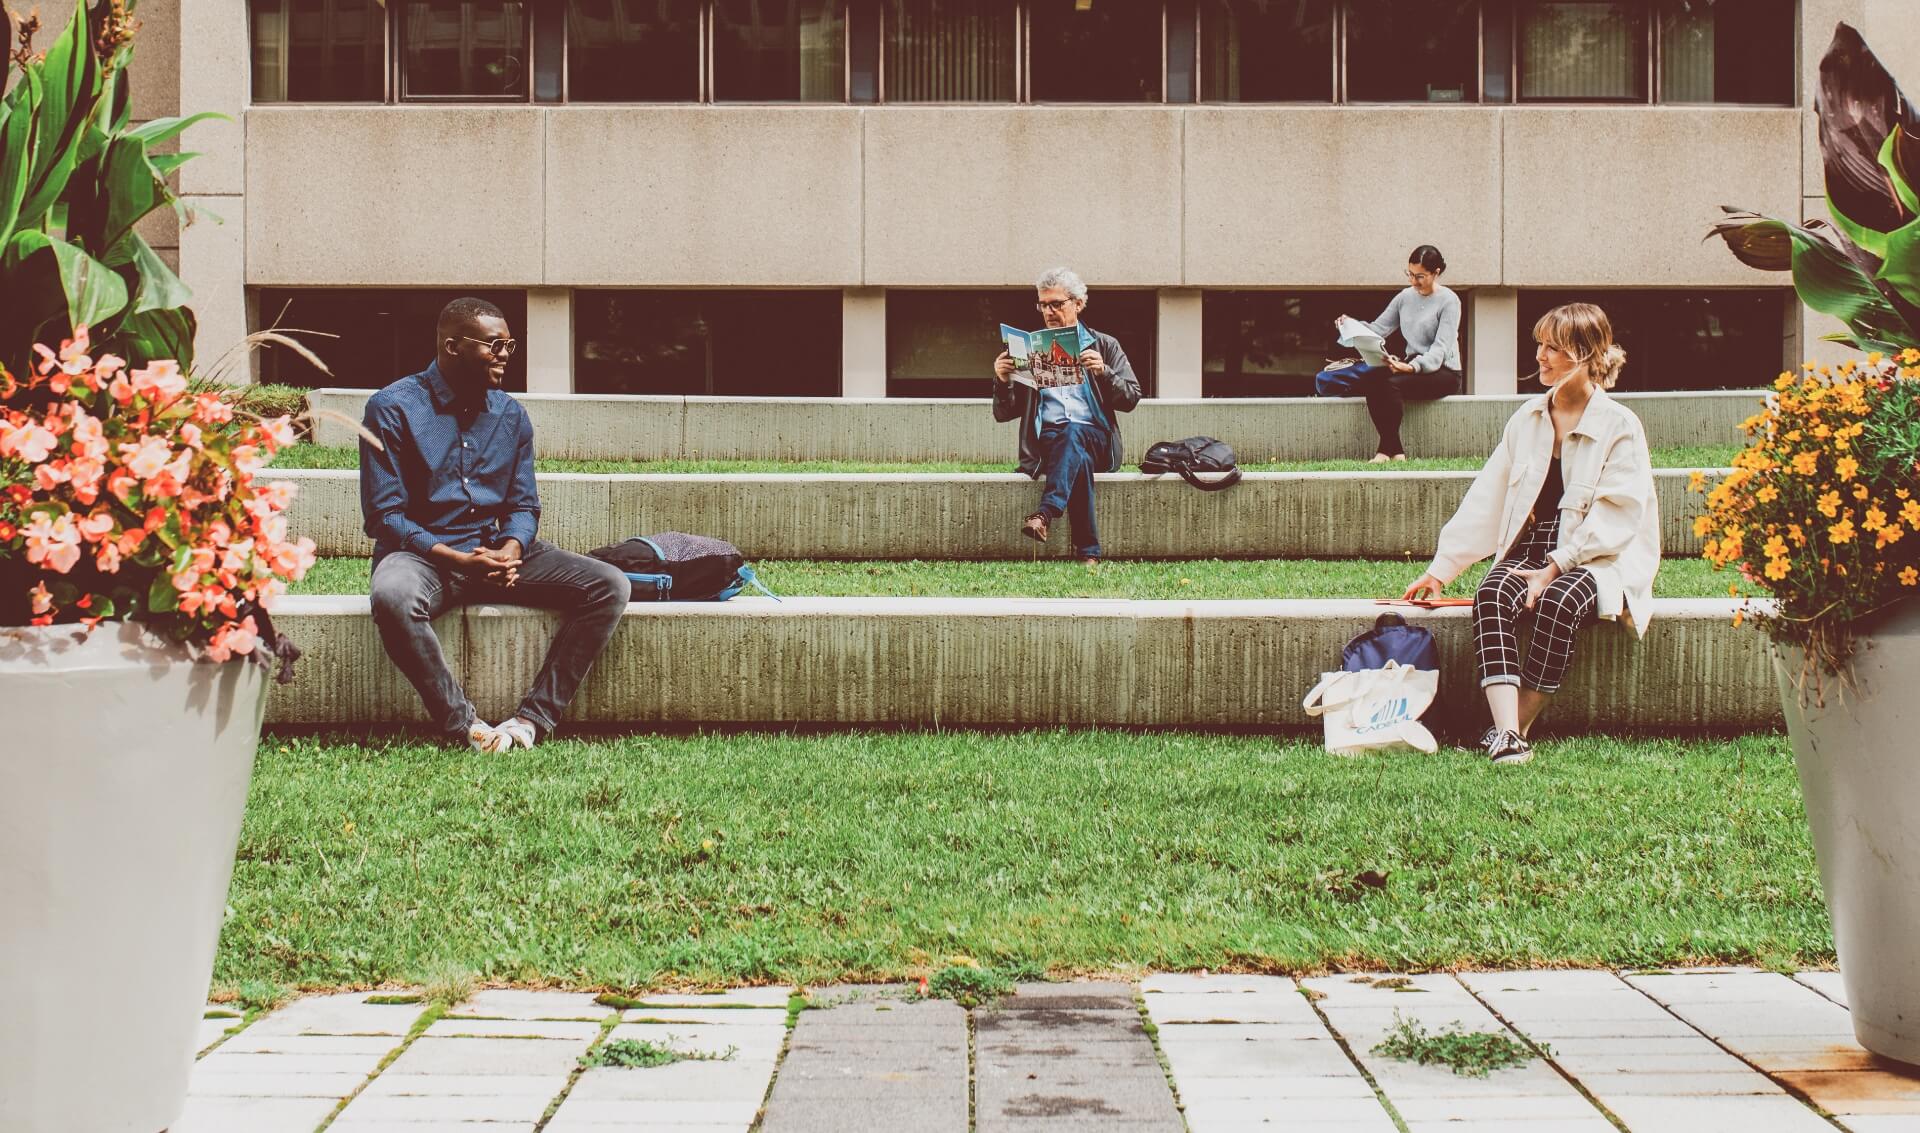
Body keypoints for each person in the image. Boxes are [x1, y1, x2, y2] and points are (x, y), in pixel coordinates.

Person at [361, 297, 631, 753]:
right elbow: (385, 515)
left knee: (610, 584)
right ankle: (465, 725)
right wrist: (457, 559)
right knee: (392, 596)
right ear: (452, 346)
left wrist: (512, 549)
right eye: (495, 345)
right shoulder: (393, 407)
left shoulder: (510, 415)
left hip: (496, 553)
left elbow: (524, 506)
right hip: (425, 557)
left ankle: (531, 720)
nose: (506, 354)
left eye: (510, 345)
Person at [1401, 302, 1659, 765]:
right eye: (1539, 345)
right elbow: (1488, 497)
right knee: (1492, 592)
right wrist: (1441, 570)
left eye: (1553, 348)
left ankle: (1515, 727)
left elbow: (1617, 516)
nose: (1540, 356)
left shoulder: (1619, 425)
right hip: (1533, 546)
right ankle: (1507, 735)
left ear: (1585, 354)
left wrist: (1554, 568)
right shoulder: (1527, 419)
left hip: (1597, 555)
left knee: (1561, 601)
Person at [991, 267, 1142, 565]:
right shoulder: (1031, 350)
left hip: (1096, 438)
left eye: (1056, 304)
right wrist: (1002, 380)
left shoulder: (1104, 346)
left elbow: (1131, 397)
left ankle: (1045, 512)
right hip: (1048, 444)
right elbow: (1003, 413)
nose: (1048, 311)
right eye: (1043, 304)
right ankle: (1088, 554)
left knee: (1074, 432)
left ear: (1078, 304)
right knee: (1076, 453)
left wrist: (1104, 372)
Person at [1315, 245, 1463, 462]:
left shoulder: (1450, 301)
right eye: (1410, 274)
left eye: (1420, 276)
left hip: (1443, 371)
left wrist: (1411, 367)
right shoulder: (1405, 297)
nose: (1414, 281)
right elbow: (1378, 329)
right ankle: (1395, 452)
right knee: (1373, 378)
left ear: (1436, 273)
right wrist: (1350, 324)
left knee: (1389, 384)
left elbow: (1440, 349)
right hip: (1411, 365)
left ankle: (1387, 450)